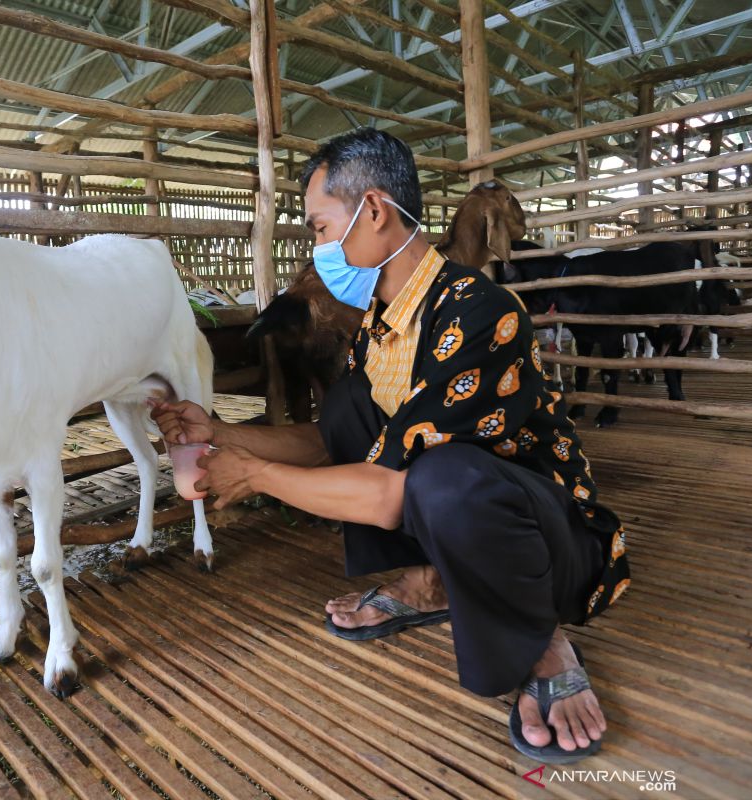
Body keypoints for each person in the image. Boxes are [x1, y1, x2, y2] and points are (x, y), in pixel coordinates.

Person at [151, 129, 628, 763]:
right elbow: (330, 441)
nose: (319, 250)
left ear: (373, 211)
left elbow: (387, 495)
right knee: (352, 406)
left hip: (550, 542)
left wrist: (256, 474)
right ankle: (432, 580)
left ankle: (540, 636)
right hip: (463, 521)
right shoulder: (379, 323)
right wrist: (221, 433)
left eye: (321, 229)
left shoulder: (483, 311)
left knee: (446, 477)